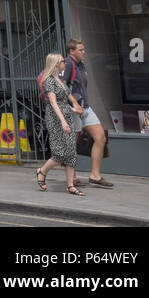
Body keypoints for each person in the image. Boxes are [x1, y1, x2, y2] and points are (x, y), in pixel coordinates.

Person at [63, 37, 113, 188]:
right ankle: (73, 177)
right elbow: (61, 87)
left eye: (84, 49)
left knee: (100, 137)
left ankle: (95, 176)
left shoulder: (81, 65)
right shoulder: (68, 64)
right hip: (73, 109)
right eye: (80, 50)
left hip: (85, 107)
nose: (84, 52)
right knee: (72, 143)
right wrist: (73, 105)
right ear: (71, 51)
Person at [37, 53, 84, 197]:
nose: (65, 63)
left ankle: (70, 185)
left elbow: (66, 100)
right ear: (56, 63)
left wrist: (74, 108)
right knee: (60, 152)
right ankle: (42, 171)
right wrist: (63, 121)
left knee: (71, 152)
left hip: (67, 117)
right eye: (63, 61)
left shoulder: (61, 81)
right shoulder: (48, 81)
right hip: (56, 119)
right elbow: (53, 103)